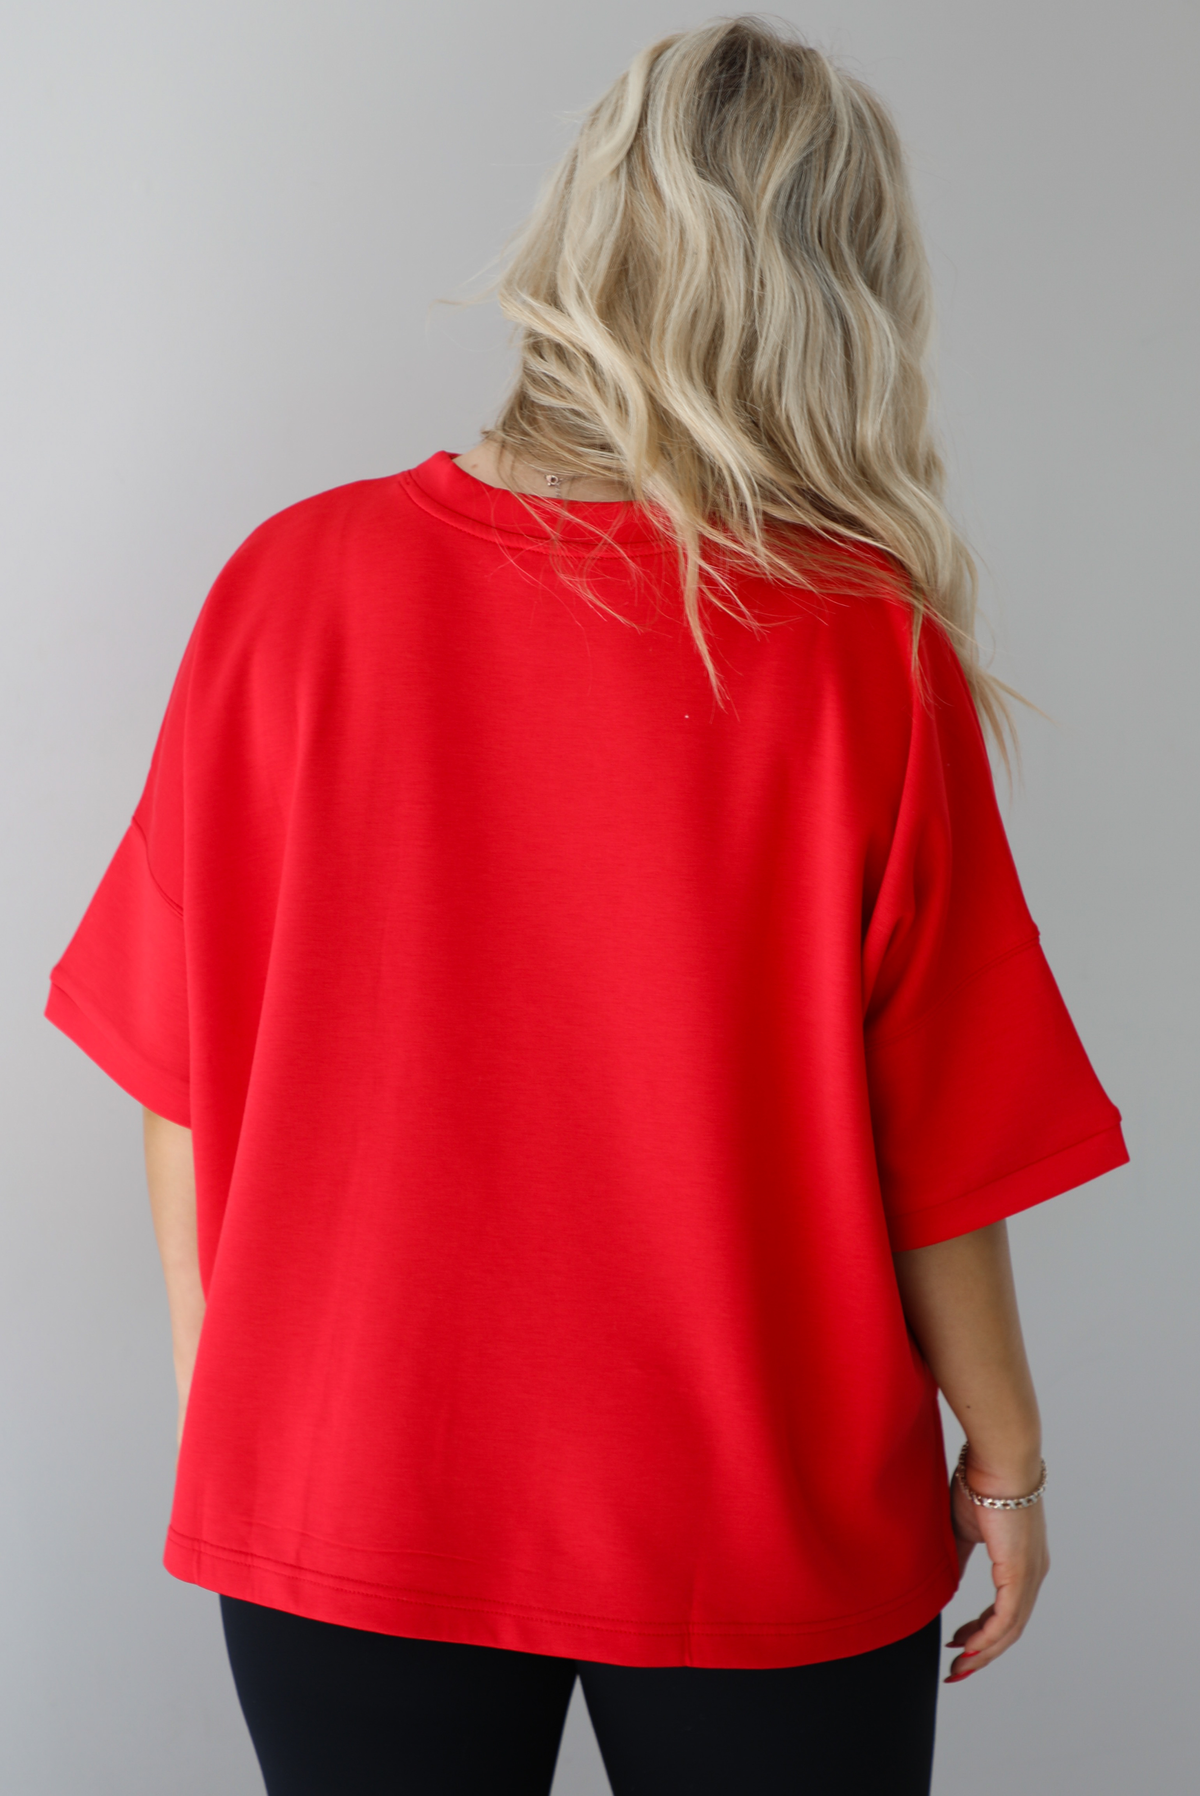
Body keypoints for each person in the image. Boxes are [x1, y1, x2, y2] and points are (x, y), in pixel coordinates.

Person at [45, 18, 1128, 1796]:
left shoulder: (287, 588)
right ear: (836, 301)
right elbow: (942, 1144)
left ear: (577, 245)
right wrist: (1004, 1461)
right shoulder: (861, 655)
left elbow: (177, 1058)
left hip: (346, 1475)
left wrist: (238, 1407)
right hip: (754, 1519)